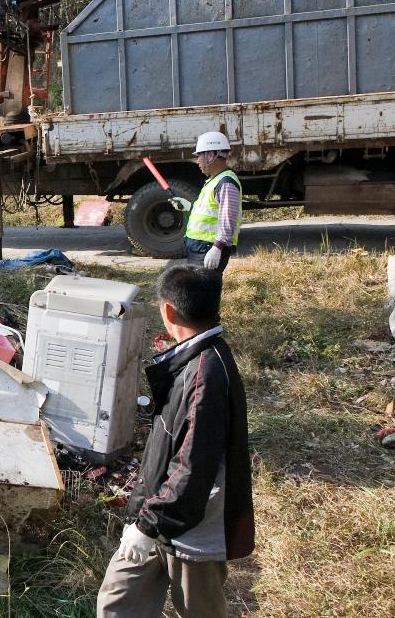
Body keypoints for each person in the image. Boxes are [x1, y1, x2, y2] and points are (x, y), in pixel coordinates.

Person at [97, 265, 254, 618]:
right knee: (116, 604)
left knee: (199, 611)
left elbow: (191, 469)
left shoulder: (206, 376)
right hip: (159, 514)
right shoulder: (193, 362)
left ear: (168, 311)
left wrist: (149, 525)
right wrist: (141, 516)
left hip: (191, 529)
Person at [180, 131, 241, 272]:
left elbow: (228, 219)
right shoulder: (214, 180)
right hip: (201, 248)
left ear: (211, 155)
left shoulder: (226, 182)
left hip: (209, 248)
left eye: (199, 156)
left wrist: (217, 248)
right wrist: (189, 207)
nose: (197, 161)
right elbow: (210, 211)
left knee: (204, 292)